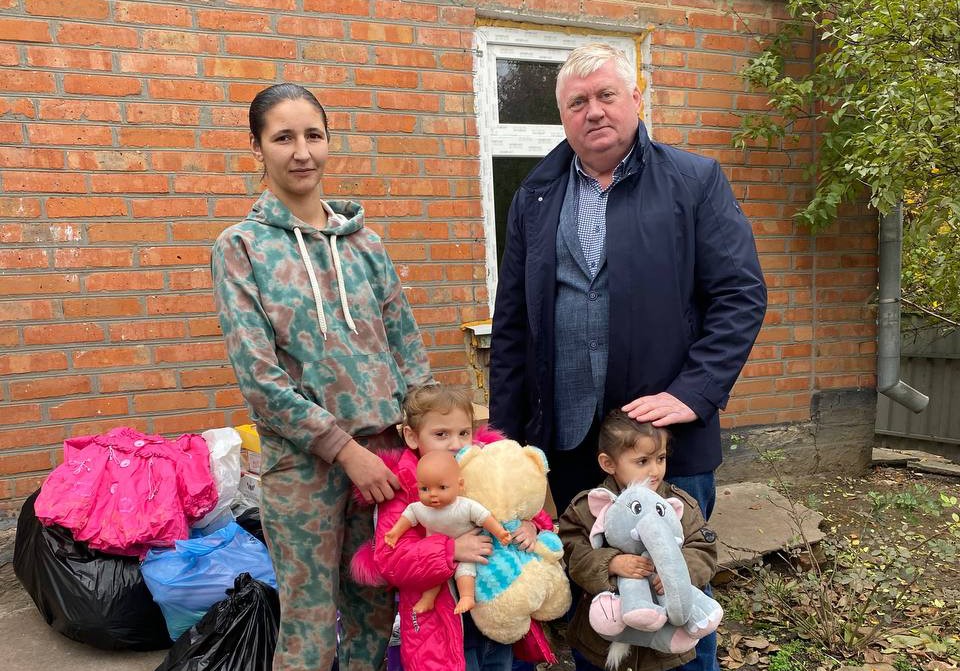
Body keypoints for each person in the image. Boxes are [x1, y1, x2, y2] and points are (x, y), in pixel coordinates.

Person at [488, 43, 765, 671]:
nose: (594, 111)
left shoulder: (693, 182)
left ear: (636, 99)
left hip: (664, 448)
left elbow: (740, 295)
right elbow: (512, 326)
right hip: (570, 445)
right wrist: (505, 442)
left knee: (677, 591)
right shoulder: (535, 196)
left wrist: (694, 391)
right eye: (577, 102)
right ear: (562, 116)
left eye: (606, 95)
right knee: (597, 597)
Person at [211, 83, 432, 671]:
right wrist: (345, 451)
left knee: (373, 611)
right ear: (257, 147)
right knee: (309, 630)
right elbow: (259, 379)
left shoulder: (366, 244)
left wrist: (428, 437)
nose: (302, 152)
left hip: (385, 459)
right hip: (303, 467)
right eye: (283, 138)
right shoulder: (241, 248)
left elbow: (406, 346)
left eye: (314, 135)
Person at [371, 384, 547, 671]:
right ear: (412, 436)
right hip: (442, 623)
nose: (455, 444)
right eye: (441, 434)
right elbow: (390, 559)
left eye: (464, 433)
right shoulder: (405, 489)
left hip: (496, 612)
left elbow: (519, 503)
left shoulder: (484, 470)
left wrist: (531, 525)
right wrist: (449, 550)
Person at [558, 411, 718, 671]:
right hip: (603, 639)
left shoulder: (677, 505)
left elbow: (703, 548)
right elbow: (572, 552)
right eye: (642, 461)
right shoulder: (588, 507)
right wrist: (610, 563)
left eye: (660, 458)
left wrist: (678, 572)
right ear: (608, 463)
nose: (655, 470)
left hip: (663, 646)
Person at [383, 449, 513, 614]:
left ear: (460, 485)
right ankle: (428, 599)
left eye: (442, 487)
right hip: (435, 553)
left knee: (465, 571)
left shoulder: (465, 506)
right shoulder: (420, 508)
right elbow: (408, 517)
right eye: (424, 488)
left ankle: (467, 597)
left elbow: (484, 517)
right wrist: (395, 533)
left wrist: (499, 532)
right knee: (432, 575)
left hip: (467, 546)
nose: (433, 494)